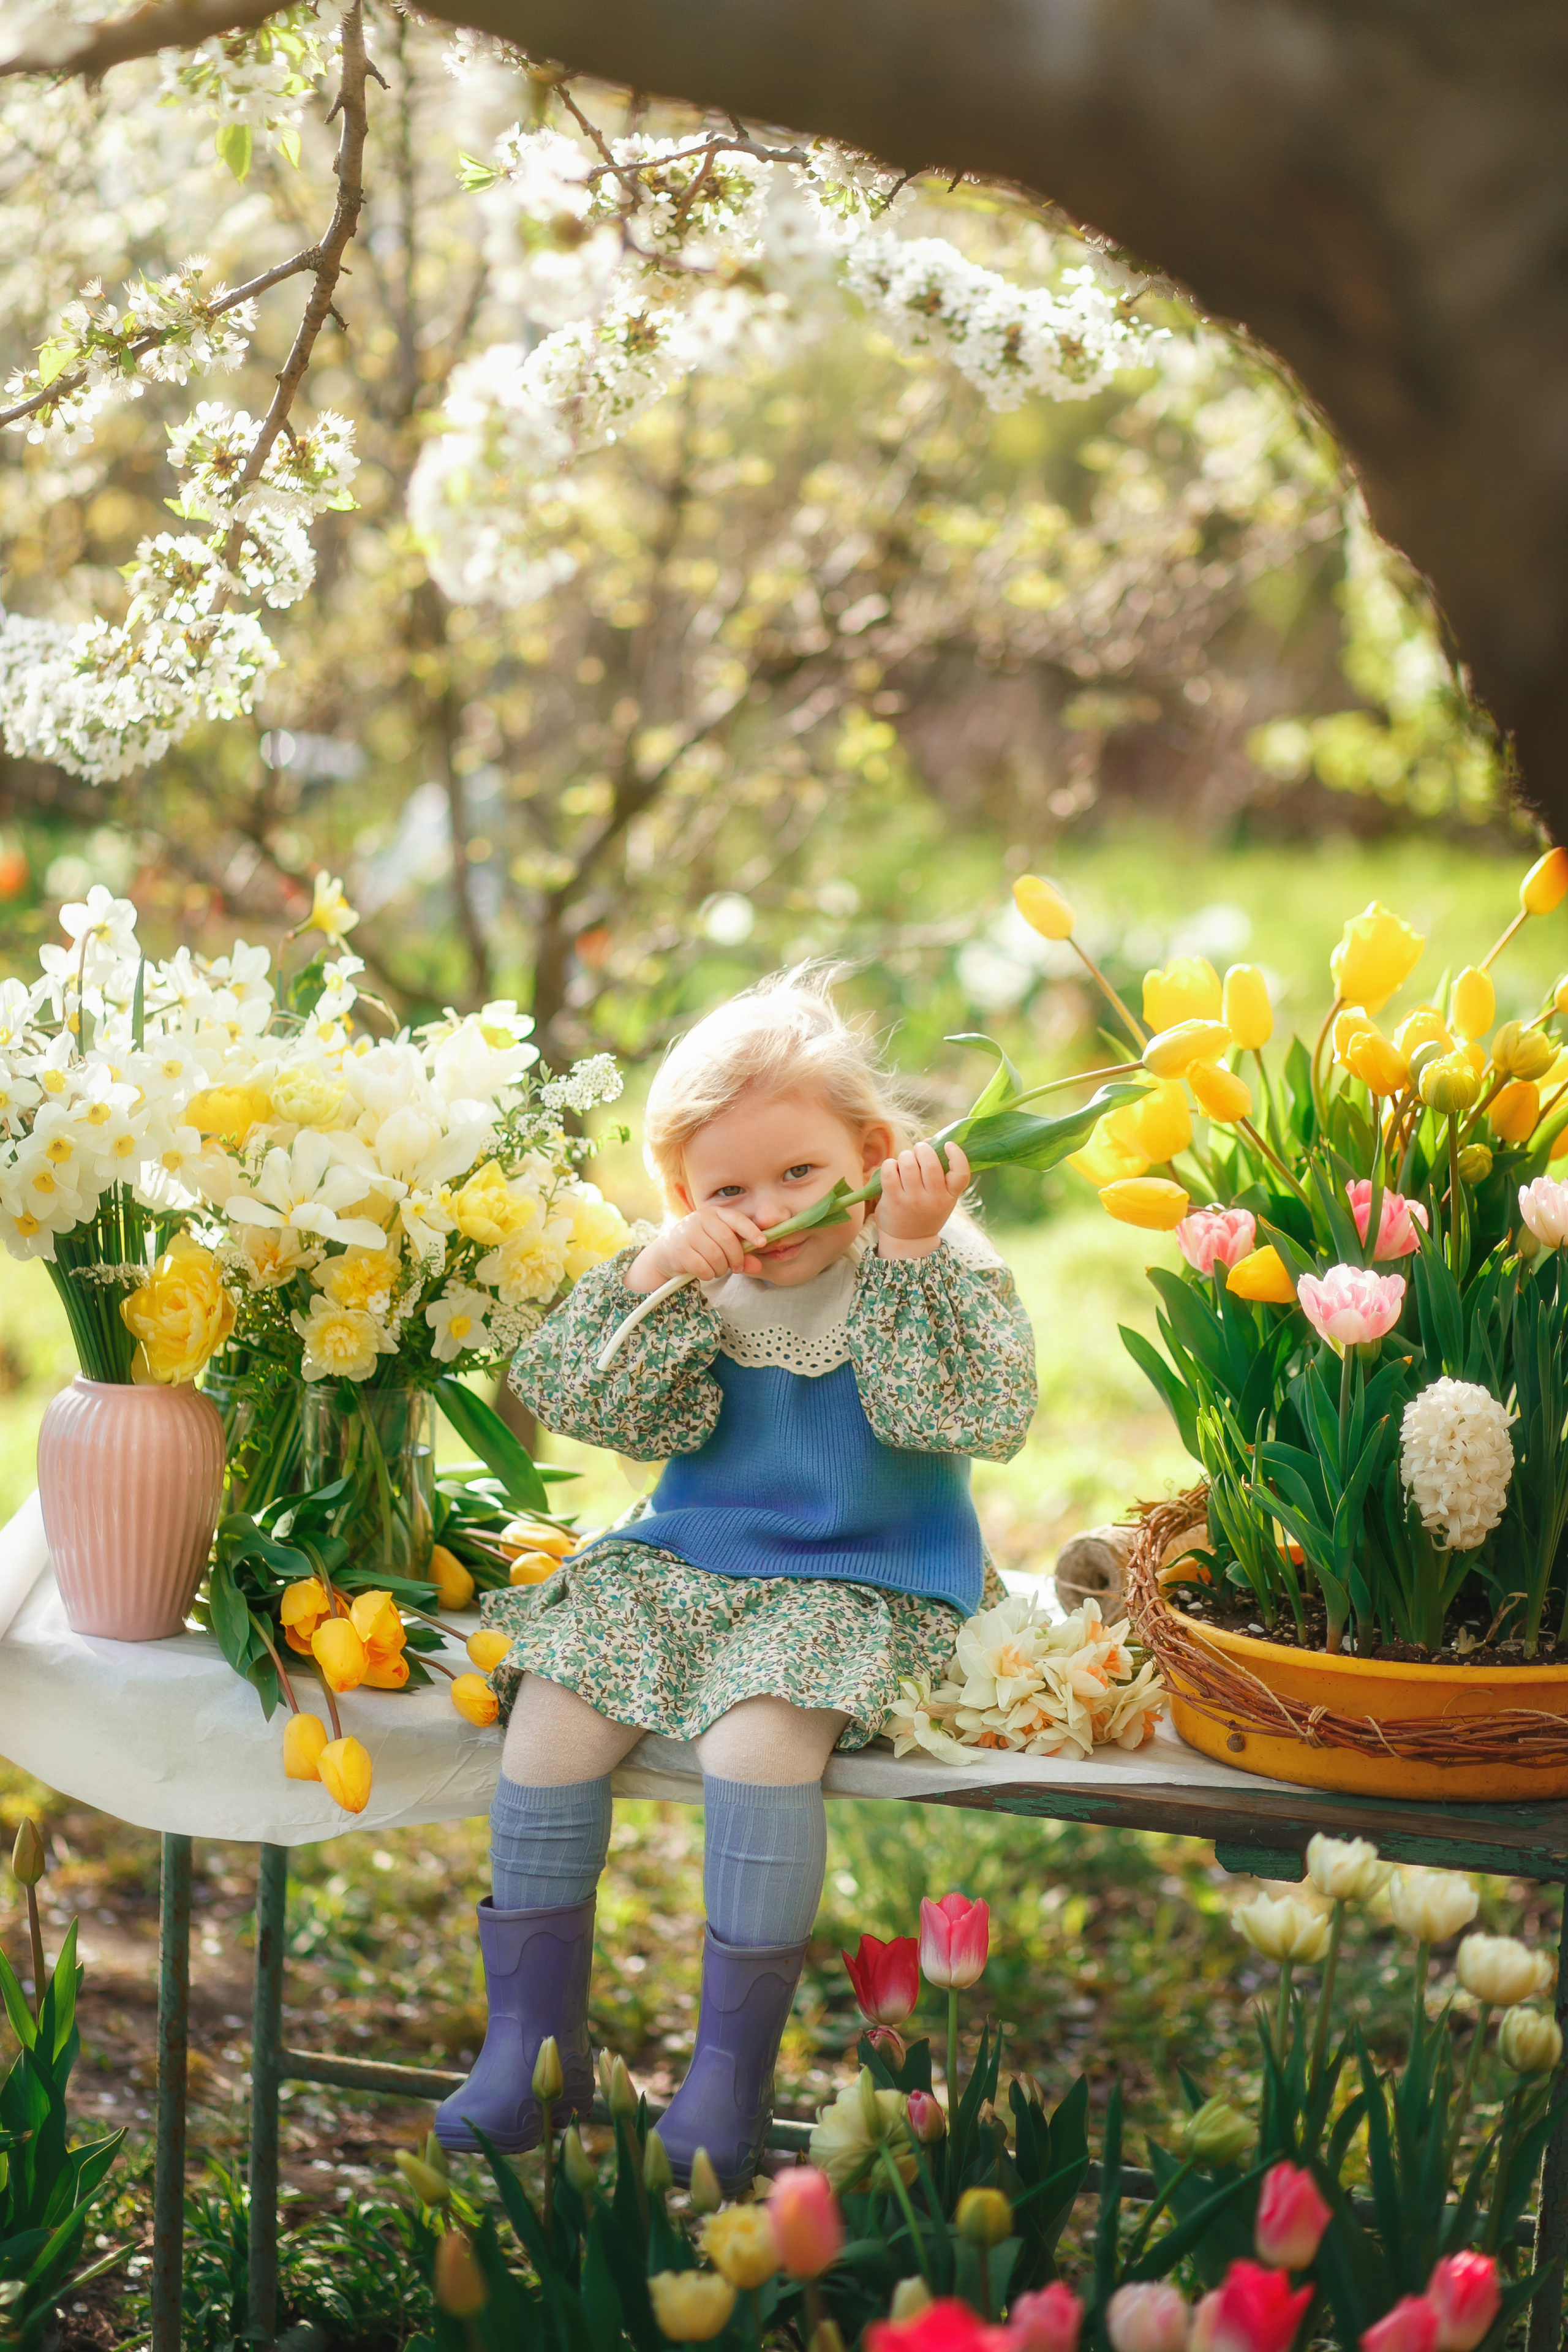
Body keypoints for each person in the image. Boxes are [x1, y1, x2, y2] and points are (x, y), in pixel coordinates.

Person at [434, 972, 1037, 2188]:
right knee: (555, 1716)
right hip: (692, 1563)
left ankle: (727, 2071)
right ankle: (529, 2039)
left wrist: (911, 1251)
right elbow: (582, 1402)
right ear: (681, 1196)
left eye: (800, 1173)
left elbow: (962, 1416)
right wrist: (660, 1268)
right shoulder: (698, 1280)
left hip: (862, 1581)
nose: (765, 1212)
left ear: (872, 1150)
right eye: (725, 1189)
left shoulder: (932, 1267)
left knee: (756, 1746)